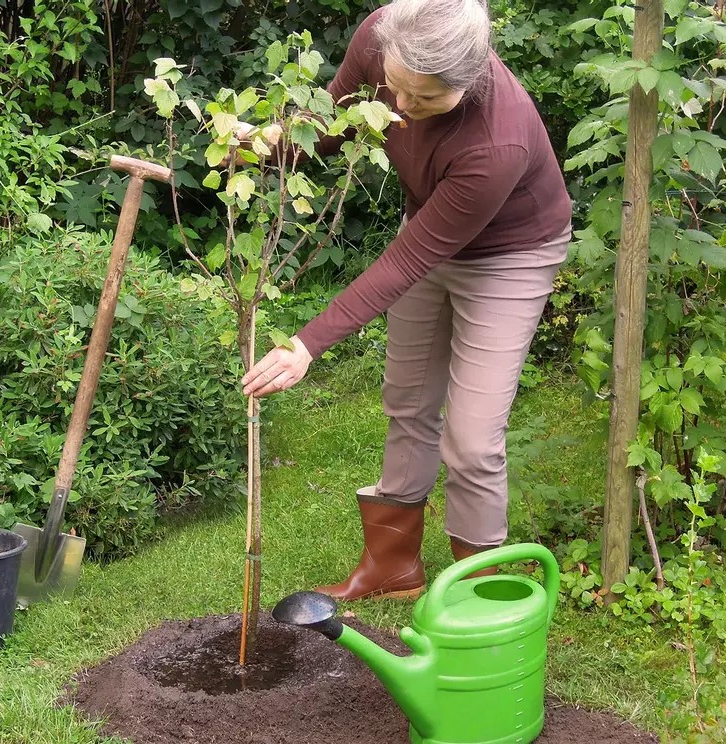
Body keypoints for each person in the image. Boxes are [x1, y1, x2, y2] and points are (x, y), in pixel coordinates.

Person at [240, 0, 573, 601]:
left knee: (472, 440)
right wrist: (266, 146)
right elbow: (336, 122)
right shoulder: (383, 35)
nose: (399, 107)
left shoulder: (496, 142)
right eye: (394, 87)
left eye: (425, 99)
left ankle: (478, 595)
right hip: (427, 228)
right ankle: (393, 567)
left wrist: (306, 344)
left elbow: (406, 262)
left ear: (469, 81)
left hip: (509, 256)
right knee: (407, 400)